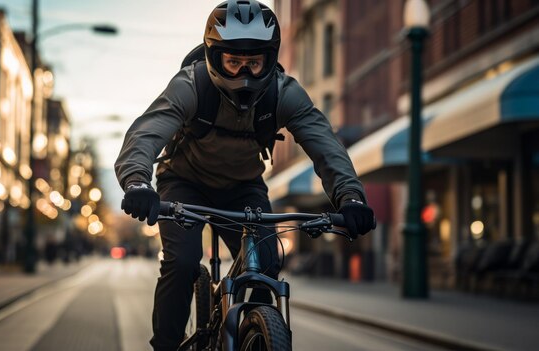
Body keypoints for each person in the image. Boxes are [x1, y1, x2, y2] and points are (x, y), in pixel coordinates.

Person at [115, 1, 376, 349]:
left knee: (267, 263)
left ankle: (256, 330)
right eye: (233, 63)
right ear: (214, 56)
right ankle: (166, 345)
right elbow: (147, 133)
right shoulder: (190, 85)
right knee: (182, 263)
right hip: (182, 183)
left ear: (269, 59)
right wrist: (137, 182)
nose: (245, 75)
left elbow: (326, 145)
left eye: (254, 63)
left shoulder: (285, 93)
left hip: (243, 187)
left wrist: (351, 197)